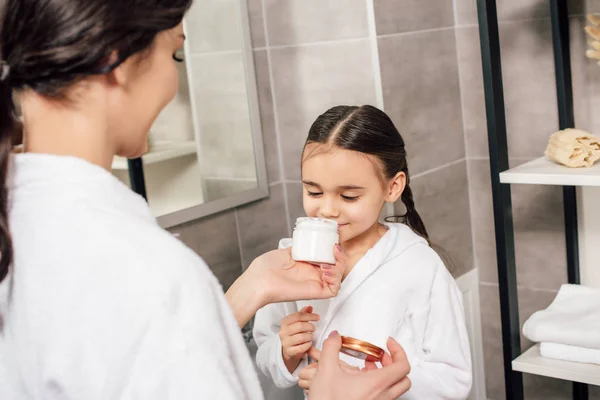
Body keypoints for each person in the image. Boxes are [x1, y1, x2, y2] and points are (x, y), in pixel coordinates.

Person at [0, 1, 413, 399]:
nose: (172, 81)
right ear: (118, 61)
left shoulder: (27, 224)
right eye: (176, 55)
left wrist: (249, 289)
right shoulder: (143, 267)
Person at [253, 105, 473, 399]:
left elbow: (453, 377)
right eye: (314, 192)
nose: (327, 210)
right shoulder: (287, 260)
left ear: (392, 187)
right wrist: (285, 352)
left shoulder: (418, 264)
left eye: (349, 196)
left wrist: (368, 383)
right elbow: (266, 350)